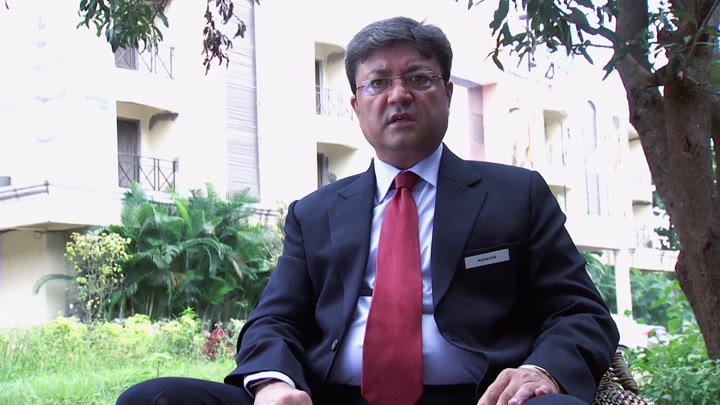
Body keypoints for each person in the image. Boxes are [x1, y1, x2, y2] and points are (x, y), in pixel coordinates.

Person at [117, 16, 619, 405]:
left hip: (480, 397)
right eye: (378, 83)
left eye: (419, 78)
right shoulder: (315, 214)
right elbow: (273, 320)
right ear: (356, 106)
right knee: (153, 399)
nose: (399, 94)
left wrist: (541, 371)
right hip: (329, 397)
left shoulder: (516, 194)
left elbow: (580, 311)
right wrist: (273, 383)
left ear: (447, 94)